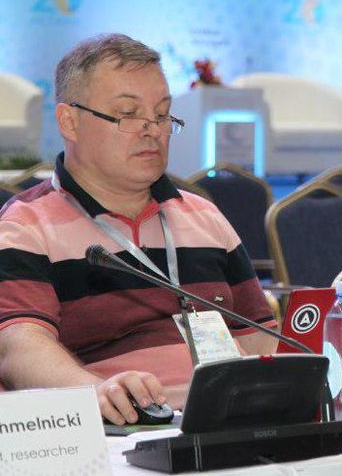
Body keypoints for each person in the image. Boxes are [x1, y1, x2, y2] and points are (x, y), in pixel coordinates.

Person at [0, 34, 276, 424]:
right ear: (69, 121)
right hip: (125, 429)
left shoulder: (204, 216)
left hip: (231, 420)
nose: (152, 130)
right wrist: (96, 392)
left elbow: (261, 341)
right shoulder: (26, 225)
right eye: (128, 113)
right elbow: (18, 349)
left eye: (162, 114)